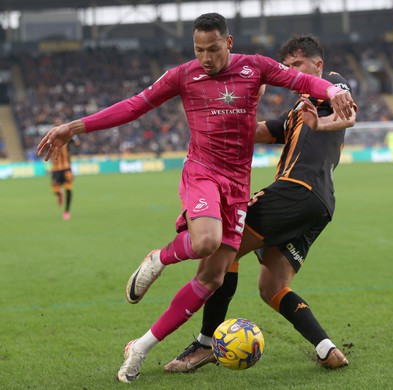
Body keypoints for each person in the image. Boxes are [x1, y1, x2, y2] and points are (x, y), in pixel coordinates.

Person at [36, 14, 355, 383]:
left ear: (229, 43)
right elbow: (135, 105)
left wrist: (331, 92)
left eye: (213, 49)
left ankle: (142, 346)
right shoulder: (183, 75)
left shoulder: (262, 70)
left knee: (215, 278)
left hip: (242, 187)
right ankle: (163, 262)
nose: (205, 57)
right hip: (204, 173)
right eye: (199, 49)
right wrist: (74, 127)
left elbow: (304, 82)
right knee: (208, 244)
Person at [164, 34, 357, 372]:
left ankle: (206, 343)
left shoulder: (331, 84)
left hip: (295, 191)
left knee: (224, 247)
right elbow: (257, 131)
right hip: (320, 206)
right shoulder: (300, 110)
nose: (293, 72)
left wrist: (320, 122)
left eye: (298, 65)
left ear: (318, 65)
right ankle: (327, 349)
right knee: (272, 287)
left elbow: (349, 115)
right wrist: (223, 112)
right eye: (288, 67)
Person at [49, 118, 80, 221]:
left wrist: (73, 134)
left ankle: (67, 211)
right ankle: (59, 194)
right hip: (56, 168)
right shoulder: (50, 136)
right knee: (56, 190)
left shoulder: (68, 136)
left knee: (68, 189)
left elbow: (77, 143)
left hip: (66, 167)